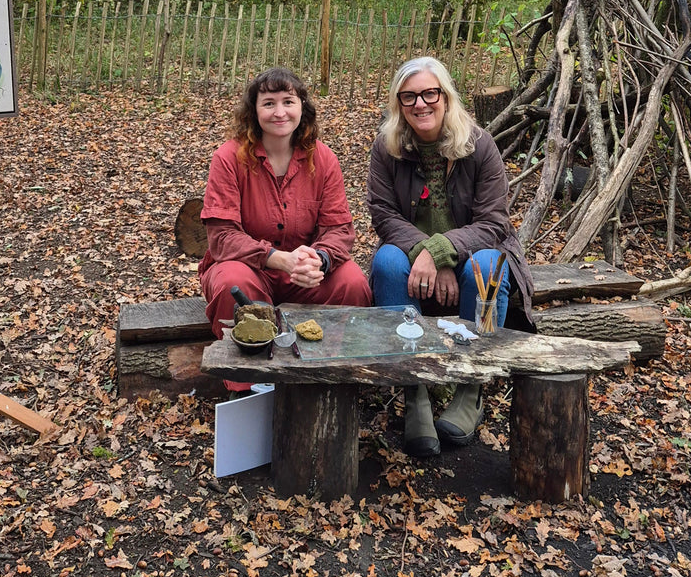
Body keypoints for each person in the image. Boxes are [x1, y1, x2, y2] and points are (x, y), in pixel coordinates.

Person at [368, 56, 534, 457]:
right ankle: (414, 391)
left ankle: (471, 389)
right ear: (398, 103)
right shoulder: (387, 147)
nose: (420, 104)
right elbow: (384, 214)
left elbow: (493, 223)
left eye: (429, 93)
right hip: (412, 267)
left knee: (488, 265)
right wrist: (426, 254)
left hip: (471, 261)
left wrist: (442, 253)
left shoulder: (479, 145)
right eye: (409, 97)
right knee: (387, 262)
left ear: (445, 96)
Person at [199, 67, 372, 389]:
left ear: (302, 107)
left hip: (304, 273)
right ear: (254, 110)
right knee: (231, 281)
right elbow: (221, 238)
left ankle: (328, 376)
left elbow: (339, 228)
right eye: (268, 103)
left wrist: (318, 259)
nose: (280, 112)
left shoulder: (324, 159)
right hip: (250, 268)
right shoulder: (228, 158)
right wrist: (279, 258)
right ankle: (249, 388)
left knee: (353, 282)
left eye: (288, 101)